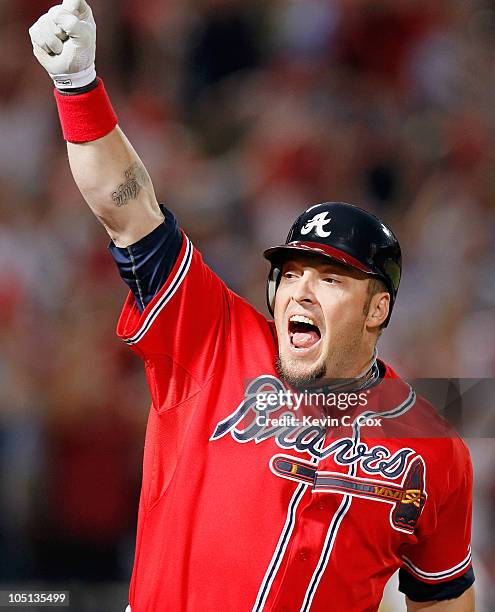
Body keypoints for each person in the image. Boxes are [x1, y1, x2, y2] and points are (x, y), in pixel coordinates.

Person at [29, 1, 475, 610]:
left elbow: (445, 596)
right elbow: (125, 207)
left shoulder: (433, 449)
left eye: (331, 279)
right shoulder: (213, 339)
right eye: (290, 272)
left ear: (377, 309)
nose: (299, 290)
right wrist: (78, 88)